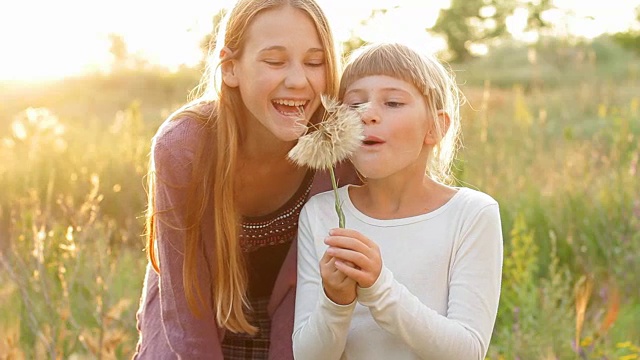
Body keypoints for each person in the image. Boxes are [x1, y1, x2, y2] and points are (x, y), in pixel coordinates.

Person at [133, 1, 360, 359]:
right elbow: (184, 303)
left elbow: (310, 302)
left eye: (315, 63)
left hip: (298, 336)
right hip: (196, 328)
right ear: (230, 68)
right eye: (274, 61)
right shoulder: (183, 147)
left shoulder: (337, 155)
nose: (298, 80)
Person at [292, 42, 504, 360]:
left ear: (435, 127)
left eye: (392, 102)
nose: (370, 115)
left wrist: (379, 288)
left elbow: (467, 351)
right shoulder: (322, 214)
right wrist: (336, 301)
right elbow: (307, 356)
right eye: (354, 105)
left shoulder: (471, 215)